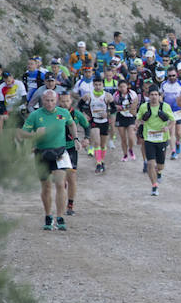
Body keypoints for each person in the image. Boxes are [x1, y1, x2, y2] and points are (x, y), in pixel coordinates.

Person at [18, 89, 78, 230]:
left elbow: (71, 124)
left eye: (52, 100)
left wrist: (75, 138)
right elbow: (22, 133)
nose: (49, 103)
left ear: (56, 100)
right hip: (42, 153)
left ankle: (60, 217)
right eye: (47, 100)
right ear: (42, 100)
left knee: (60, 184)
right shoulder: (35, 115)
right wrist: (34, 134)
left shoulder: (63, 113)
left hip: (60, 152)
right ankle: (48, 215)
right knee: (46, 187)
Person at [137, 85, 176, 196]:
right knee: (150, 163)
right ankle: (154, 186)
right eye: (152, 95)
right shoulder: (144, 107)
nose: (154, 97)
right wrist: (140, 122)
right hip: (149, 138)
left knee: (160, 165)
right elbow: (138, 119)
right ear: (148, 96)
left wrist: (167, 128)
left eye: (156, 95)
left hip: (162, 138)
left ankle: (159, 172)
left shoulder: (165, 107)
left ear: (159, 96)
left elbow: (173, 121)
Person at [57, 93, 89, 216]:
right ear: (59, 102)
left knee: (71, 177)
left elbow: (87, 126)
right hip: (57, 148)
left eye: (67, 101)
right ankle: (61, 200)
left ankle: (70, 205)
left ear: (71, 101)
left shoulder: (76, 114)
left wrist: (86, 138)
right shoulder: (55, 113)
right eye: (63, 101)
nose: (65, 104)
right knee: (60, 178)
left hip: (71, 148)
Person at [82, 77, 114, 174]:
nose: (98, 87)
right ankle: (98, 163)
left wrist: (108, 114)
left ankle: (102, 160)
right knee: (97, 143)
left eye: (100, 85)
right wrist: (85, 115)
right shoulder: (88, 96)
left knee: (103, 145)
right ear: (93, 85)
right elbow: (80, 106)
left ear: (103, 85)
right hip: (94, 121)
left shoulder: (108, 96)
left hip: (104, 121)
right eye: (96, 85)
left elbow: (114, 109)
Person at [113, 79, 138, 162]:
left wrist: (132, 108)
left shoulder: (132, 93)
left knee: (131, 137)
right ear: (118, 88)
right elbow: (112, 105)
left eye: (124, 86)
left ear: (127, 86)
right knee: (123, 138)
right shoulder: (116, 95)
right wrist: (116, 107)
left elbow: (136, 102)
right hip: (121, 116)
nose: (123, 88)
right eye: (121, 87)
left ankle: (130, 149)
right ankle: (125, 154)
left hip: (130, 116)